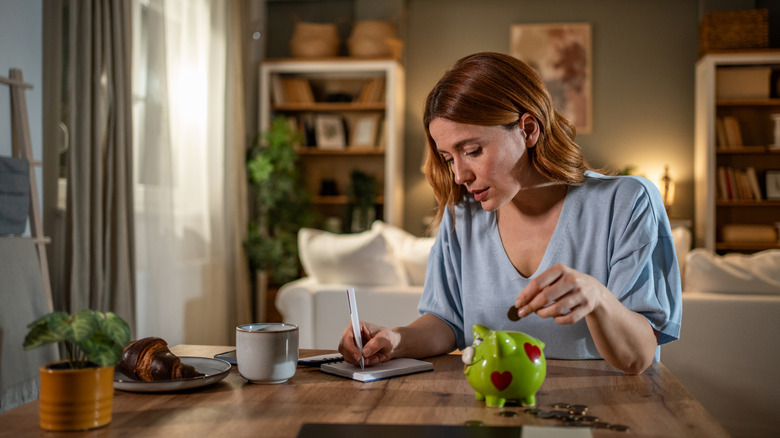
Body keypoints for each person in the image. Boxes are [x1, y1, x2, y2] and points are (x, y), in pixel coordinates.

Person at [338, 52, 681, 374]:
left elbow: (638, 357)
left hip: (601, 412)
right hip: (491, 402)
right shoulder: (463, 214)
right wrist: (395, 340)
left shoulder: (627, 202)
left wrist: (598, 298)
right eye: (448, 158)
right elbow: (447, 323)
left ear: (528, 129)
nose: (459, 175)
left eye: (472, 150)